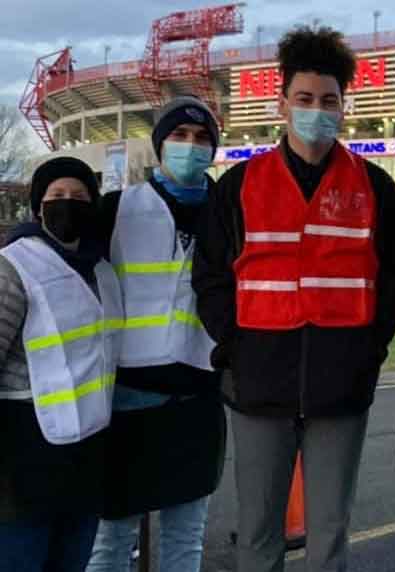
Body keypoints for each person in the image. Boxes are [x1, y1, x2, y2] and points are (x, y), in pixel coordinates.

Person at [192, 26, 395, 572]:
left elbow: (390, 284)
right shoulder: (237, 186)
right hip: (259, 387)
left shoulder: (376, 187)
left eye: (329, 101)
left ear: (344, 106)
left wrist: (366, 356)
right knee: (258, 533)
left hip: (342, 390)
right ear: (281, 103)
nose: (317, 111)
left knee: (329, 535)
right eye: (305, 99)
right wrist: (237, 349)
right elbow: (212, 278)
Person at [87, 96, 227, 572]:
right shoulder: (117, 210)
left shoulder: (229, 214)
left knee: (184, 543)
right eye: (180, 136)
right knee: (110, 542)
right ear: (160, 144)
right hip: (128, 397)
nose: (191, 147)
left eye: (202, 139)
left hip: (198, 397)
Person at [0, 158, 122, 571]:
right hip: (23, 460)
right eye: (57, 197)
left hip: (86, 458)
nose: (68, 205)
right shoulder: (14, 266)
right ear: (38, 207)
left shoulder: (103, 271)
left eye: (80, 197)